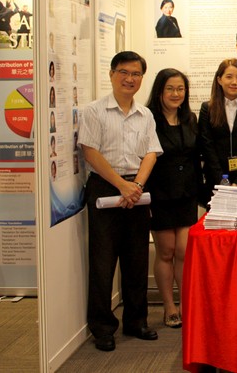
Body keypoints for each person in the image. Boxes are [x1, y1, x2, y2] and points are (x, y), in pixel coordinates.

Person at [78, 51, 162, 352]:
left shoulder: (146, 115)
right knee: (102, 262)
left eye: (136, 74)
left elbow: (151, 152)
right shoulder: (94, 111)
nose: (130, 79)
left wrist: (136, 185)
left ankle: (136, 321)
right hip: (105, 187)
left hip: (136, 190)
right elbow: (91, 153)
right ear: (112, 74)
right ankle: (102, 327)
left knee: (137, 259)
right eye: (124, 72)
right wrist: (122, 185)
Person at [145, 68, 201, 330]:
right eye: (170, 88)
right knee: (165, 251)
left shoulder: (190, 119)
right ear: (160, 90)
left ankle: (187, 303)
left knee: (185, 251)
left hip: (187, 192)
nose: (176, 94)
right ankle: (169, 306)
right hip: (160, 193)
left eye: (181, 89)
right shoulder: (148, 120)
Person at [198, 59, 237, 198]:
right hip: (217, 182)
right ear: (219, 80)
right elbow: (207, 146)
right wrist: (222, 181)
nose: (234, 82)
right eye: (229, 77)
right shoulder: (207, 108)